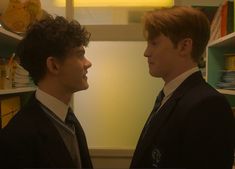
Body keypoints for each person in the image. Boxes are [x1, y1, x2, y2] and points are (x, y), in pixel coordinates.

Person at [130, 6, 235, 169]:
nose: (146, 52)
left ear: (184, 46)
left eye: (154, 43)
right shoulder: (170, 95)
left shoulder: (207, 105)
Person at [0, 15, 93, 168]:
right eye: (80, 55)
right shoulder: (16, 137)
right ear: (54, 66)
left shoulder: (68, 118)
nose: (88, 63)